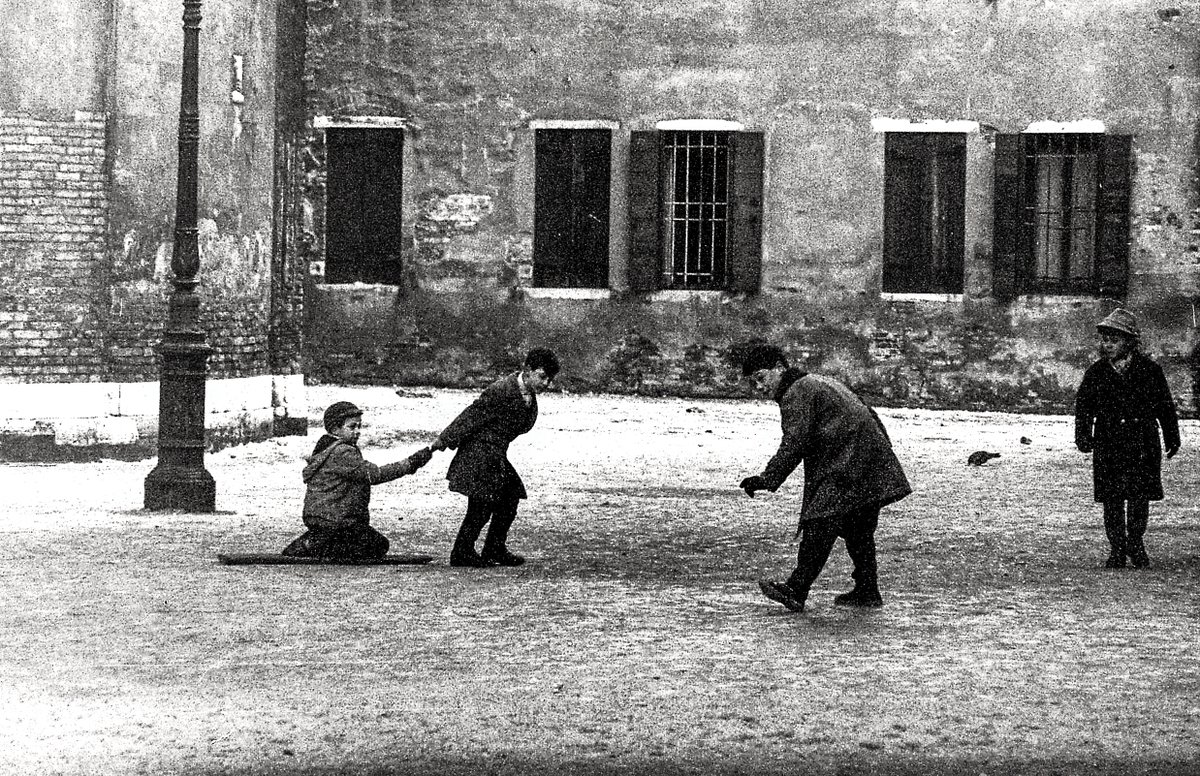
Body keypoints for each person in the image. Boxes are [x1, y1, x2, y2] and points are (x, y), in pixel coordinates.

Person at [736, 344, 912, 612]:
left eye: (760, 378)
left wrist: (767, 478)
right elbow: (868, 412)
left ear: (779, 369)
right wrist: (881, 457)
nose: (758, 387)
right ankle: (867, 590)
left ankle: (797, 589)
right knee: (858, 528)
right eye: (753, 383)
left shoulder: (797, 392)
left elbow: (795, 442)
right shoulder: (818, 382)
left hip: (848, 464)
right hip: (869, 460)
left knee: (820, 522)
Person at [430, 348, 560, 567]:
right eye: (542, 376)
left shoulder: (527, 394)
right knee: (482, 502)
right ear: (527, 370)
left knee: (510, 496)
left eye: (549, 379)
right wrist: (444, 439)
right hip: (478, 453)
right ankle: (462, 552)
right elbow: (472, 415)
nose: (546, 383)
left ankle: (494, 549)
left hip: (495, 453)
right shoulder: (502, 389)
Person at [1074, 308, 1181, 569]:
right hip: (1109, 442)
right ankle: (1117, 548)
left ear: (1130, 342)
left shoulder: (1150, 371)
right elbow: (1084, 406)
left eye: (1115, 339)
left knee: (1138, 497)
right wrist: (1083, 436)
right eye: (1105, 339)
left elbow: (1165, 405)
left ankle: (1135, 542)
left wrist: (1171, 436)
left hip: (1142, 441)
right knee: (1111, 499)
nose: (1108, 344)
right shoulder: (1096, 372)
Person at [282, 401, 432, 560]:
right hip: (335, 519)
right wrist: (410, 464)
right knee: (377, 545)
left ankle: (317, 540)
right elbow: (375, 474)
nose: (358, 431)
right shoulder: (342, 452)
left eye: (359, 426)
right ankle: (316, 544)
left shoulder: (328, 447)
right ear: (335, 429)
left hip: (325, 517)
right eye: (352, 427)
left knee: (369, 542)